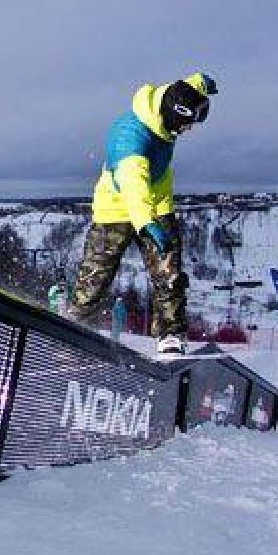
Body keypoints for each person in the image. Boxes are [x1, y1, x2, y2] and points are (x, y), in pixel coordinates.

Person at [66, 72, 217, 354]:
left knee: (168, 271)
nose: (189, 130)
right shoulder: (130, 137)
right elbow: (133, 185)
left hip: (157, 204)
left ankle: (171, 334)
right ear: (173, 115)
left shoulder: (167, 105)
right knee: (97, 273)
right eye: (187, 124)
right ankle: (75, 324)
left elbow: (185, 87)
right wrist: (145, 222)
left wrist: (201, 84)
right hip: (117, 207)